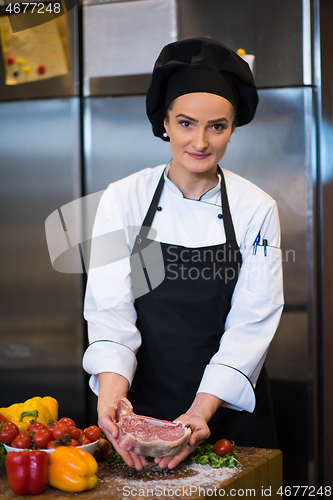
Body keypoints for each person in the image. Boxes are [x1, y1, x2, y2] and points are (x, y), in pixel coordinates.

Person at [82, 38, 284, 471]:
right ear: (165, 124)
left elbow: (253, 321)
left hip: (226, 409)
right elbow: (109, 314)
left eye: (217, 126)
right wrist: (113, 400)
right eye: (186, 123)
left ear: (232, 128)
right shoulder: (123, 199)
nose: (200, 141)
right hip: (138, 408)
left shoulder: (255, 208)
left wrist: (201, 411)